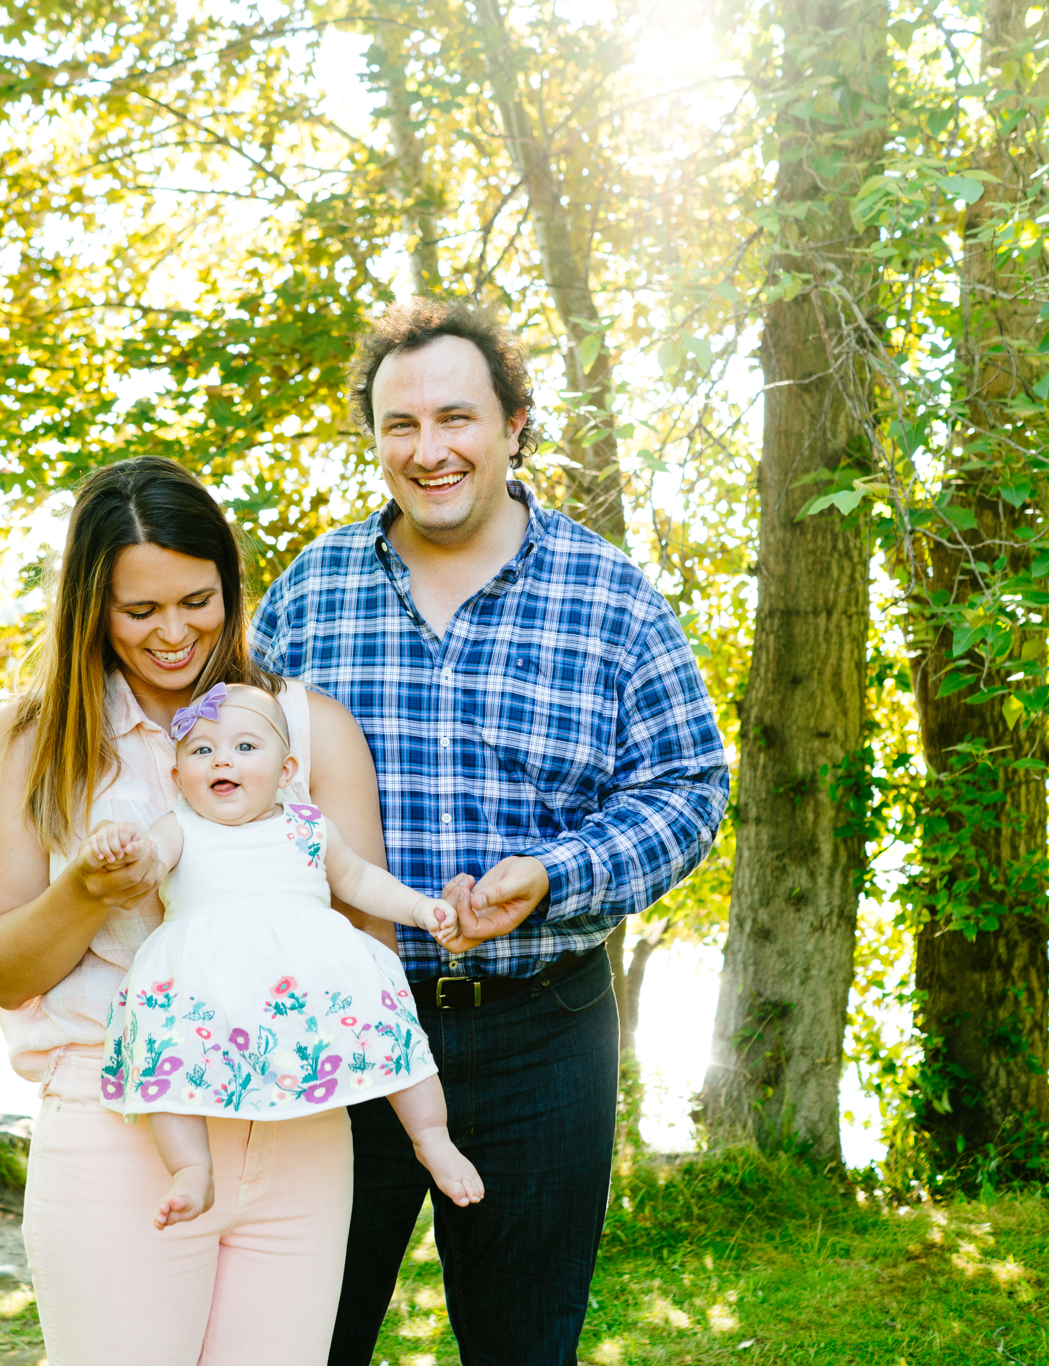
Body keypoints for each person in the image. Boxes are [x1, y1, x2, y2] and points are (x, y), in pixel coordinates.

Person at [251, 300, 730, 1366]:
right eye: (398, 425)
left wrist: (556, 874)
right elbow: (222, 782)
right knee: (293, 1339)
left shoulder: (607, 595)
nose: (429, 451)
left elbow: (688, 787)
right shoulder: (305, 599)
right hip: (341, 1033)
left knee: (522, 1347)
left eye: (456, 418)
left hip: (539, 1032)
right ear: (371, 437)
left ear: (513, 423)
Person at [0, 456, 391, 1365]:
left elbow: (369, 944)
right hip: (118, 1119)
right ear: (91, 608)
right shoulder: (30, 742)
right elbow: (0, 968)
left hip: (300, 1123)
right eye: (138, 610)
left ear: (230, 586)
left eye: (197, 600)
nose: (173, 634)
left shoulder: (311, 730)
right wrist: (81, 894)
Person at [80, 681, 484, 1229]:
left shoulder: (308, 826)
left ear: (287, 770)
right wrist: (119, 840)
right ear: (178, 780)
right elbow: (149, 857)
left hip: (310, 975)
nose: (223, 758)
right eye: (202, 751)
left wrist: (419, 909)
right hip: (203, 981)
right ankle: (191, 1169)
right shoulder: (180, 828)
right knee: (167, 1061)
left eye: (246, 748)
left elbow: (360, 879)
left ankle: (431, 1136)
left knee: (391, 1033)